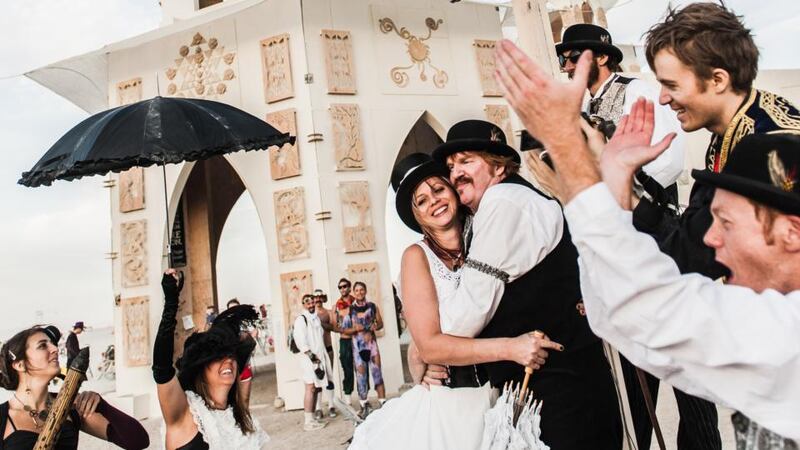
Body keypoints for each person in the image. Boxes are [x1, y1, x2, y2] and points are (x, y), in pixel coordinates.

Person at [494, 35, 800, 446]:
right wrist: (617, 182)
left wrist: (572, 155)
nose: (662, 98)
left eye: (725, 222)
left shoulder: (769, 142)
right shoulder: (735, 136)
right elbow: (634, 319)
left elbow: (661, 300)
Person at [427, 120, 622, 448]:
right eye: (450, 166)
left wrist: (428, 343)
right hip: (561, 389)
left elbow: (464, 318)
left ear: (498, 167)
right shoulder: (502, 203)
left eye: (466, 161)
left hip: (561, 393)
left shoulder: (503, 203)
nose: (455, 172)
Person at [349, 153, 559, 449]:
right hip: (452, 406)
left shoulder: (485, 232)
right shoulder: (417, 257)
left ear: (453, 191)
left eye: (438, 189)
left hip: (500, 396)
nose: (433, 200)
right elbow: (430, 344)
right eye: (421, 201)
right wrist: (511, 348)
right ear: (417, 216)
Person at [555, 23, 685, 205]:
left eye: (575, 57)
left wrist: (629, 198)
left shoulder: (637, 92)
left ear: (602, 57)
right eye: (563, 60)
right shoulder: (586, 106)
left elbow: (669, 159)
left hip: (650, 212)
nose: (567, 67)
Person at [153, 269, 269, 449]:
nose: (229, 360)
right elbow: (162, 369)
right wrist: (171, 303)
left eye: (231, 355)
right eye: (219, 356)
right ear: (201, 367)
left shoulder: (242, 422)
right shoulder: (186, 413)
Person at [0, 326, 149, 449]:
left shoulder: (71, 407)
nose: (55, 349)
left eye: (52, 343)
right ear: (20, 364)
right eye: (42, 345)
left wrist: (103, 406)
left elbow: (138, 442)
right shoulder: (3, 417)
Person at [339, 282, 385, 419]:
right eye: (357, 290)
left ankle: (383, 403)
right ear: (354, 292)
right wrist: (355, 329)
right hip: (358, 348)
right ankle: (364, 405)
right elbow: (344, 329)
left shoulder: (372, 306)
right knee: (361, 377)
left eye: (361, 290)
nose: (359, 292)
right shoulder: (350, 310)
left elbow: (380, 323)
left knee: (377, 374)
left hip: (372, 346)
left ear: (365, 291)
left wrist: (375, 327)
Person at [292, 294, 334, 432]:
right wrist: (313, 358)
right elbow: (300, 342)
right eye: (307, 303)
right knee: (310, 388)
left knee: (316, 387)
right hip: (309, 360)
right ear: (303, 305)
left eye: (312, 302)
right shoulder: (301, 320)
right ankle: (308, 421)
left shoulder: (315, 318)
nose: (310, 305)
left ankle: (313, 419)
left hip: (319, 358)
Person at [311, 289, 336, 419]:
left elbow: (333, 327)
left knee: (330, 376)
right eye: (315, 297)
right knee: (318, 378)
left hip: (328, 347)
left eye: (320, 297)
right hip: (316, 351)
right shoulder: (309, 315)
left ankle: (331, 405)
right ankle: (318, 408)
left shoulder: (328, 312)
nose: (318, 299)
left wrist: (320, 323)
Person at [333, 278, 356, 401]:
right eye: (340, 287)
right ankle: (348, 399)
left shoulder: (356, 301)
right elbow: (335, 326)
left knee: (361, 368)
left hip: (357, 339)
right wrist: (347, 330)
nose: (342, 289)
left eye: (344, 286)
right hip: (345, 340)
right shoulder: (337, 306)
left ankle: (364, 399)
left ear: (349, 287)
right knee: (347, 368)